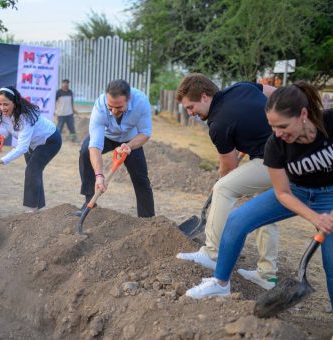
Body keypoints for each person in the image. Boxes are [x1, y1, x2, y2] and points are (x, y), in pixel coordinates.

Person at [185, 82, 333, 311]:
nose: (278, 134)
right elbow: (282, 193)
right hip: (296, 192)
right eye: (273, 127)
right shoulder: (275, 144)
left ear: (303, 115)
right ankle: (220, 283)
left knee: (331, 262)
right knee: (237, 220)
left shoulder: (329, 123)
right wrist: (315, 218)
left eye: (283, 126)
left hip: (329, 196)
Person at [175, 73, 280, 290]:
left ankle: (211, 253)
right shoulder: (241, 87)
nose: (190, 112)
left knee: (223, 188)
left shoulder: (218, 124)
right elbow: (277, 93)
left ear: (205, 96)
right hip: (289, 151)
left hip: (276, 160)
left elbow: (229, 167)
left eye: (191, 106)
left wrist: (219, 190)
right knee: (266, 210)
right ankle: (267, 275)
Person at [76, 79, 155, 218]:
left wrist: (129, 146)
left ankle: (147, 220)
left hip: (130, 140)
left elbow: (145, 133)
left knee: (141, 178)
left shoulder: (141, 102)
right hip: (107, 136)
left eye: (119, 107)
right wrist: (99, 175)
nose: (113, 111)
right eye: (110, 106)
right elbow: (95, 145)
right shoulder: (100, 106)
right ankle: (89, 203)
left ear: (129, 99)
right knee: (85, 152)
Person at [0, 86, 62, 213]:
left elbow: (22, 147)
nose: (2, 108)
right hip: (32, 143)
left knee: (32, 170)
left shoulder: (24, 117)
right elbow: (6, 129)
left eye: (6, 104)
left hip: (50, 140)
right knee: (34, 172)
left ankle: (31, 210)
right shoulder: (4, 114)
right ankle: (37, 208)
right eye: (0, 104)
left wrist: (2, 161)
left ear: (15, 103)